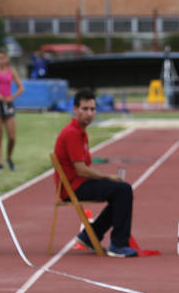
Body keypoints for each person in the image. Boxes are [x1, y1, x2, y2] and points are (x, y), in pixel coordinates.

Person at [54, 89, 137, 257]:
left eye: (92, 109)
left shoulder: (80, 132)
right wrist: (108, 177)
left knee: (120, 191)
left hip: (77, 184)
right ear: (75, 109)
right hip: (73, 187)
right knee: (123, 189)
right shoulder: (72, 133)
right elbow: (81, 169)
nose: (89, 113)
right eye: (85, 109)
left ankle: (90, 236)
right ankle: (118, 245)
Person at [0, 47, 24, 171]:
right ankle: (0, 162)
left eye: (3, 58)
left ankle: (9, 157)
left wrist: (12, 97)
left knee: (12, 136)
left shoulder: (11, 71)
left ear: (7, 59)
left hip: (8, 104)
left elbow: (21, 88)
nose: (1, 60)